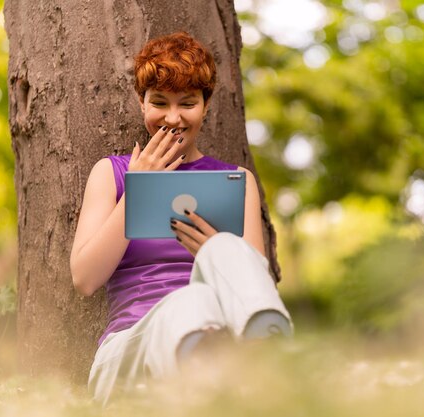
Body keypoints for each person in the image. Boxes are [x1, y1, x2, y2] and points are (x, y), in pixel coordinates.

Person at [69, 32, 292, 405]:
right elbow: (85, 279)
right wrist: (139, 189)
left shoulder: (238, 181)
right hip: (130, 349)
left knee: (211, 284)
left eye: (187, 103)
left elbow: (253, 278)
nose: (172, 118)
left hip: (220, 344)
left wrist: (213, 249)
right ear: (142, 104)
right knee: (188, 303)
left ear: (205, 107)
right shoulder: (112, 174)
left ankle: (264, 344)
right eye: (159, 103)